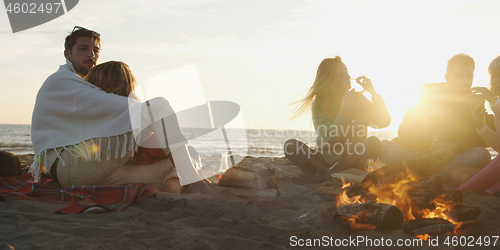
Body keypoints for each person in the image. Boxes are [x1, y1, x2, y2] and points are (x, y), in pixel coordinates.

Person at [29, 26, 245, 203]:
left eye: (95, 50)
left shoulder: (80, 85)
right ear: (68, 54)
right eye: (83, 49)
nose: (91, 55)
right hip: (70, 166)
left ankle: (175, 189)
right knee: (158, 107)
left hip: (79, 174)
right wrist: (149, 118)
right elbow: (124, 108)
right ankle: (195, 182)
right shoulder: (61, 82)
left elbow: (109, 112)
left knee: (174, 163)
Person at [379, 54, 491, 181]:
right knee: (384, 146)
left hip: (450, 158)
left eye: (469, 76)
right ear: (447, 77)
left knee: (482, 154)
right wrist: (429, 118)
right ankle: (434, 173)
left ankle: (417, 172)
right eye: (459, 76)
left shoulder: (475, 100)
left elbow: (480, 141)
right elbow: (403, 133)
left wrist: (456, 145)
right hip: (419, 154)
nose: (465, 82)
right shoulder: (428, 92)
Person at [284, 56, 391, 181]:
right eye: (341, 75)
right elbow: (329, 138)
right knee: (290, 146)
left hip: (354, 160)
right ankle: (331, 172)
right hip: (325, 161)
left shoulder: (359, 99)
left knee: (374, 142)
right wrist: (344, 111)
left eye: (347, 73)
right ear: (329, 82)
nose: (347, 77)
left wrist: (373, 93)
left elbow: (384, 121)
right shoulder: (319, 104)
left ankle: (327, 174)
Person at [455, 55, 500, 194]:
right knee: (456, 174)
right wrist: (480, 125)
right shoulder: (497, 105)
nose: (496, 80)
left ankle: (461, 191)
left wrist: (494, 101)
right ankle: (491, 189)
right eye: (493, 76)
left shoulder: (496, 104)